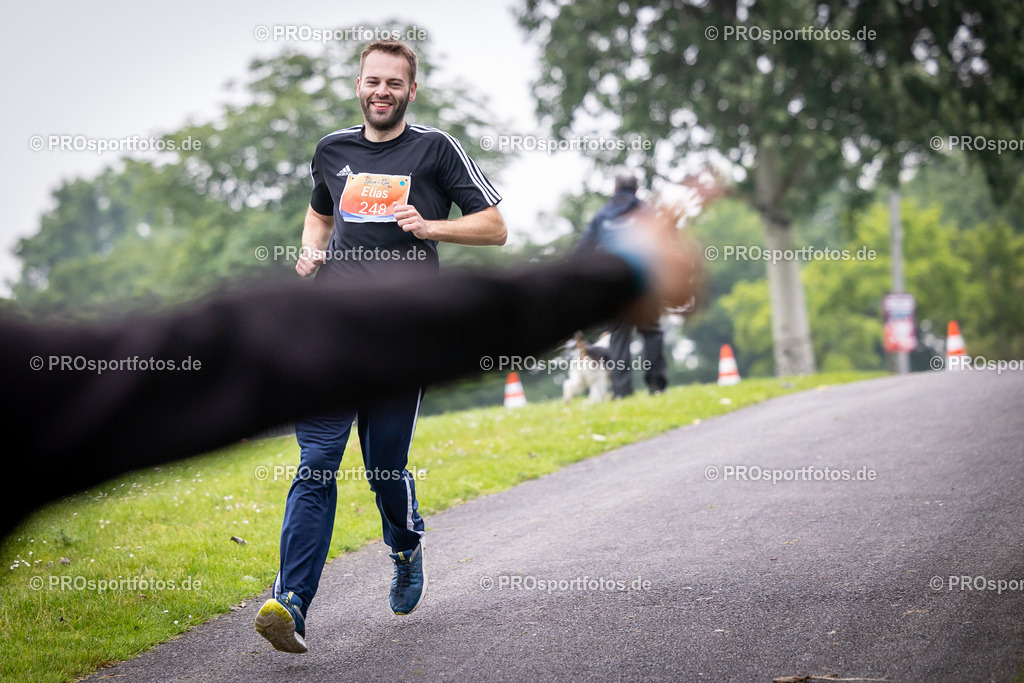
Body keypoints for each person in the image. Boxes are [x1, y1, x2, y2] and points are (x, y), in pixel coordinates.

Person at [258, 38, 508, 653]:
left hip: (403, 339)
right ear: (360, 83)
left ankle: (405, 542)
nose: (380, 91)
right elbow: (319, 212)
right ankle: (291, 602)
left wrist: (433, 226)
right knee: (316, 463)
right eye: (372, 81)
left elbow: (496, 227)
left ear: (410, 90)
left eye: (393, 83)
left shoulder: (435, 149)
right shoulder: (331, 151)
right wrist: (311, 249)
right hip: (333, 333)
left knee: (384, 469)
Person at [577, 173, 668, 397]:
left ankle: (621, 391)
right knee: (651, 332)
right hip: (644, 280)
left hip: (614, 283)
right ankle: (656, 387)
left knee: (618, 337)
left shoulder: (602, 216)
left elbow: (583, 250)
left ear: (615, 189)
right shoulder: (647, 213)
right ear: (636, 189)